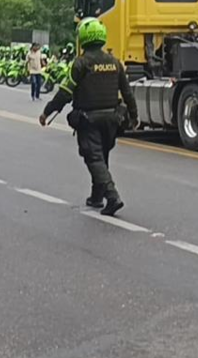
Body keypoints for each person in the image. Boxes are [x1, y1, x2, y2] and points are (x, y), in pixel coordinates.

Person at [39, 18, 138, 216]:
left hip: (89, 119)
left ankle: (112, 196)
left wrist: (47, 112)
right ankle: (96, 196)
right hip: (112, 119)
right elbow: (127, 92)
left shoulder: (81, 63)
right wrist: (134, 117)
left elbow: (65, 92)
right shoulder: (115, 62)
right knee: (102, 156)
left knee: (94, 158)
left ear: (83, 38)